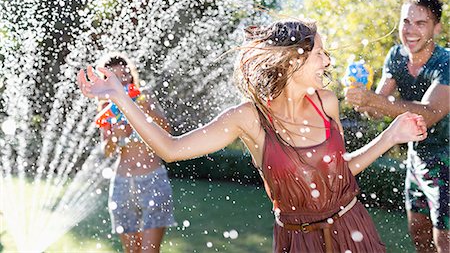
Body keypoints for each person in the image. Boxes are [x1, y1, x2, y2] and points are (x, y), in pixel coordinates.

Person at [79, 20, 427, 253]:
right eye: (320, 53)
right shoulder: (249, 118)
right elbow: (171, 148)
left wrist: (392, 136)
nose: (328, 61)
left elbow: (340, 170)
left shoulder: (327, 103)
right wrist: (119, 97)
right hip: (299, 240)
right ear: (292, 61)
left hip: (354, 228)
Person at [345, 0, 449, 252]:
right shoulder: (396, 56)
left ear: (437, 28)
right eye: (406, 21)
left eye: (420, 23)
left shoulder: (446, 62)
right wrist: (363, 97)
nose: (410, 30)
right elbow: (377, 111)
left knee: (444, 242)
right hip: (417, 161)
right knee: (420, 236)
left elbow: (431, 112)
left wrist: (373, 100)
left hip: (448, 163)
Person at [96, 53, 175, 253]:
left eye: (125, 75)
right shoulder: (108, 108)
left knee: (149, 251)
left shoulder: (143, 96)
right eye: (116, 77)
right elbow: (107, 151)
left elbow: (168, 132)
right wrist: (115, 136)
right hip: (122, 184)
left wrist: (145, 111)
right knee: (131, 251)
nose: (123, 80)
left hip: (153, 180)